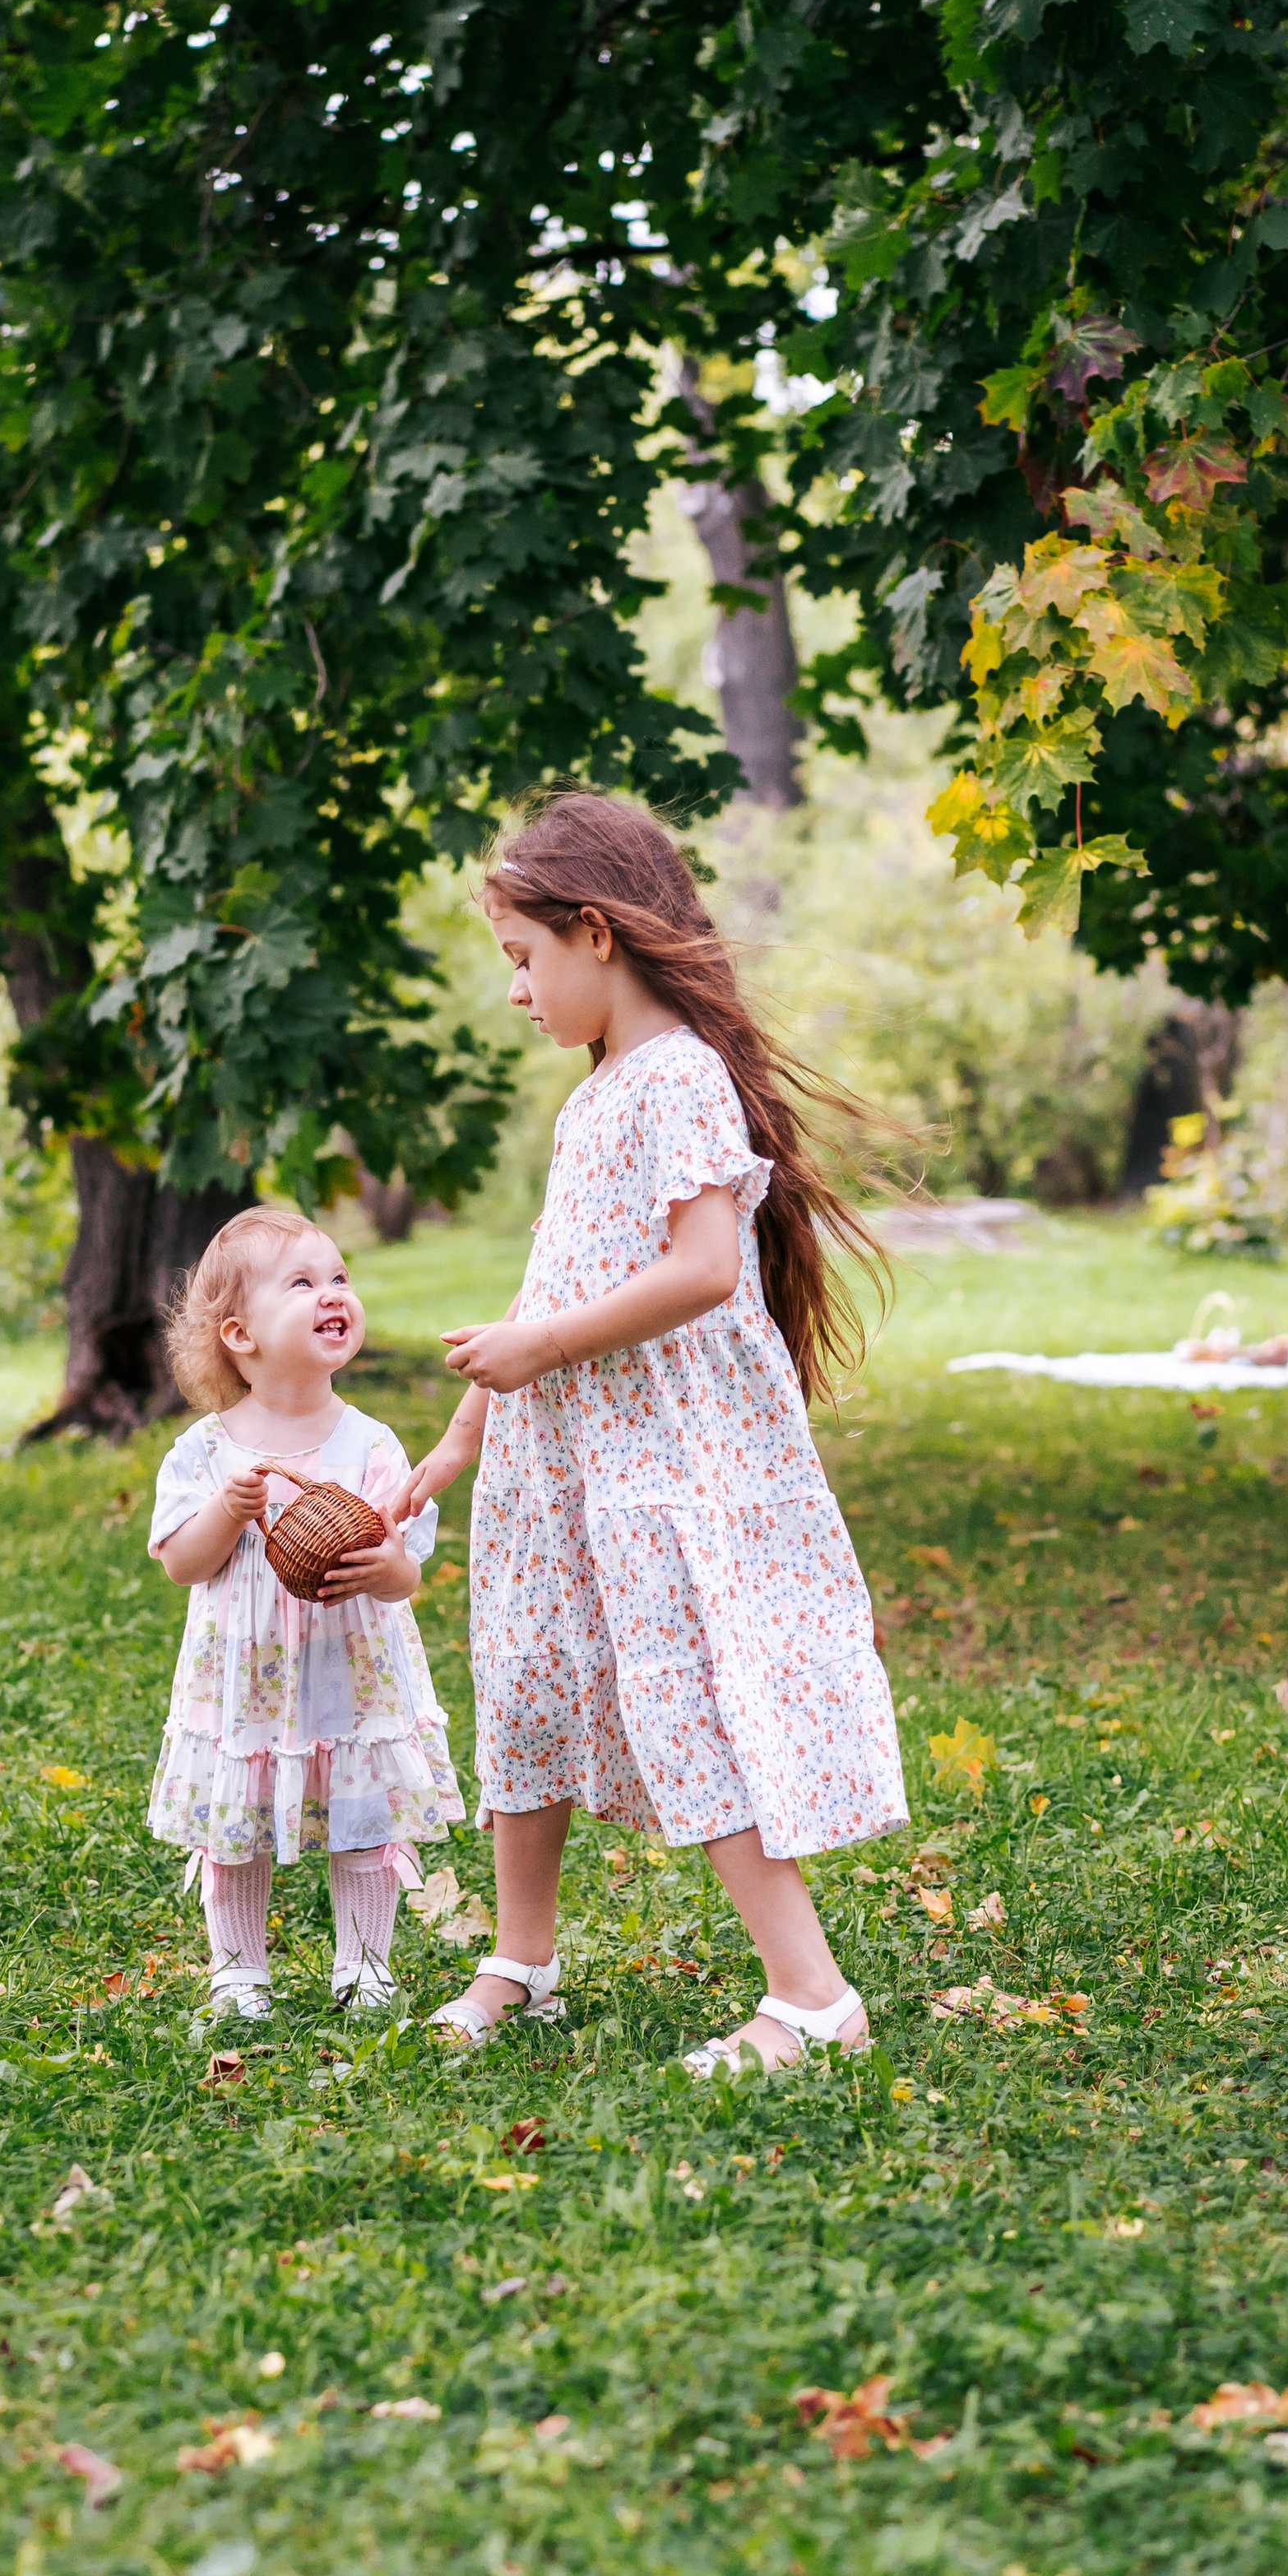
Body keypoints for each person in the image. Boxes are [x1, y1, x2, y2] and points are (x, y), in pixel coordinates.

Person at [396, 792, 906, 2074]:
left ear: (597, 934)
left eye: (524, 958)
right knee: (526, 1682)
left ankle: (813, 1997)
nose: (517, 992)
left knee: (695, 1701)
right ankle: (523, 1956)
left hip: (664, 1460)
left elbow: (703, 1270)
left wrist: (544, 1351)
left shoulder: (678, 1077)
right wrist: (463, 1436)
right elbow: (554, 1279)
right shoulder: (599, 1096)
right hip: (560, 1462)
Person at [147, 1205, 464, 2016]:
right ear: (240, 1335)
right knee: (236, 1829)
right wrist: (228, 1507)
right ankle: (239, 1970)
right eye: (301, 1282)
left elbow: (404, 1580)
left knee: (362, 1823)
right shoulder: (207, 1451)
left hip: (347, 1674)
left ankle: (363, 1965)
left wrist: (387, 1564)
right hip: (247, 1682)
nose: (332, 1293)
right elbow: (185, 1562)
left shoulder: (370, 1445)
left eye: (339, 1277)